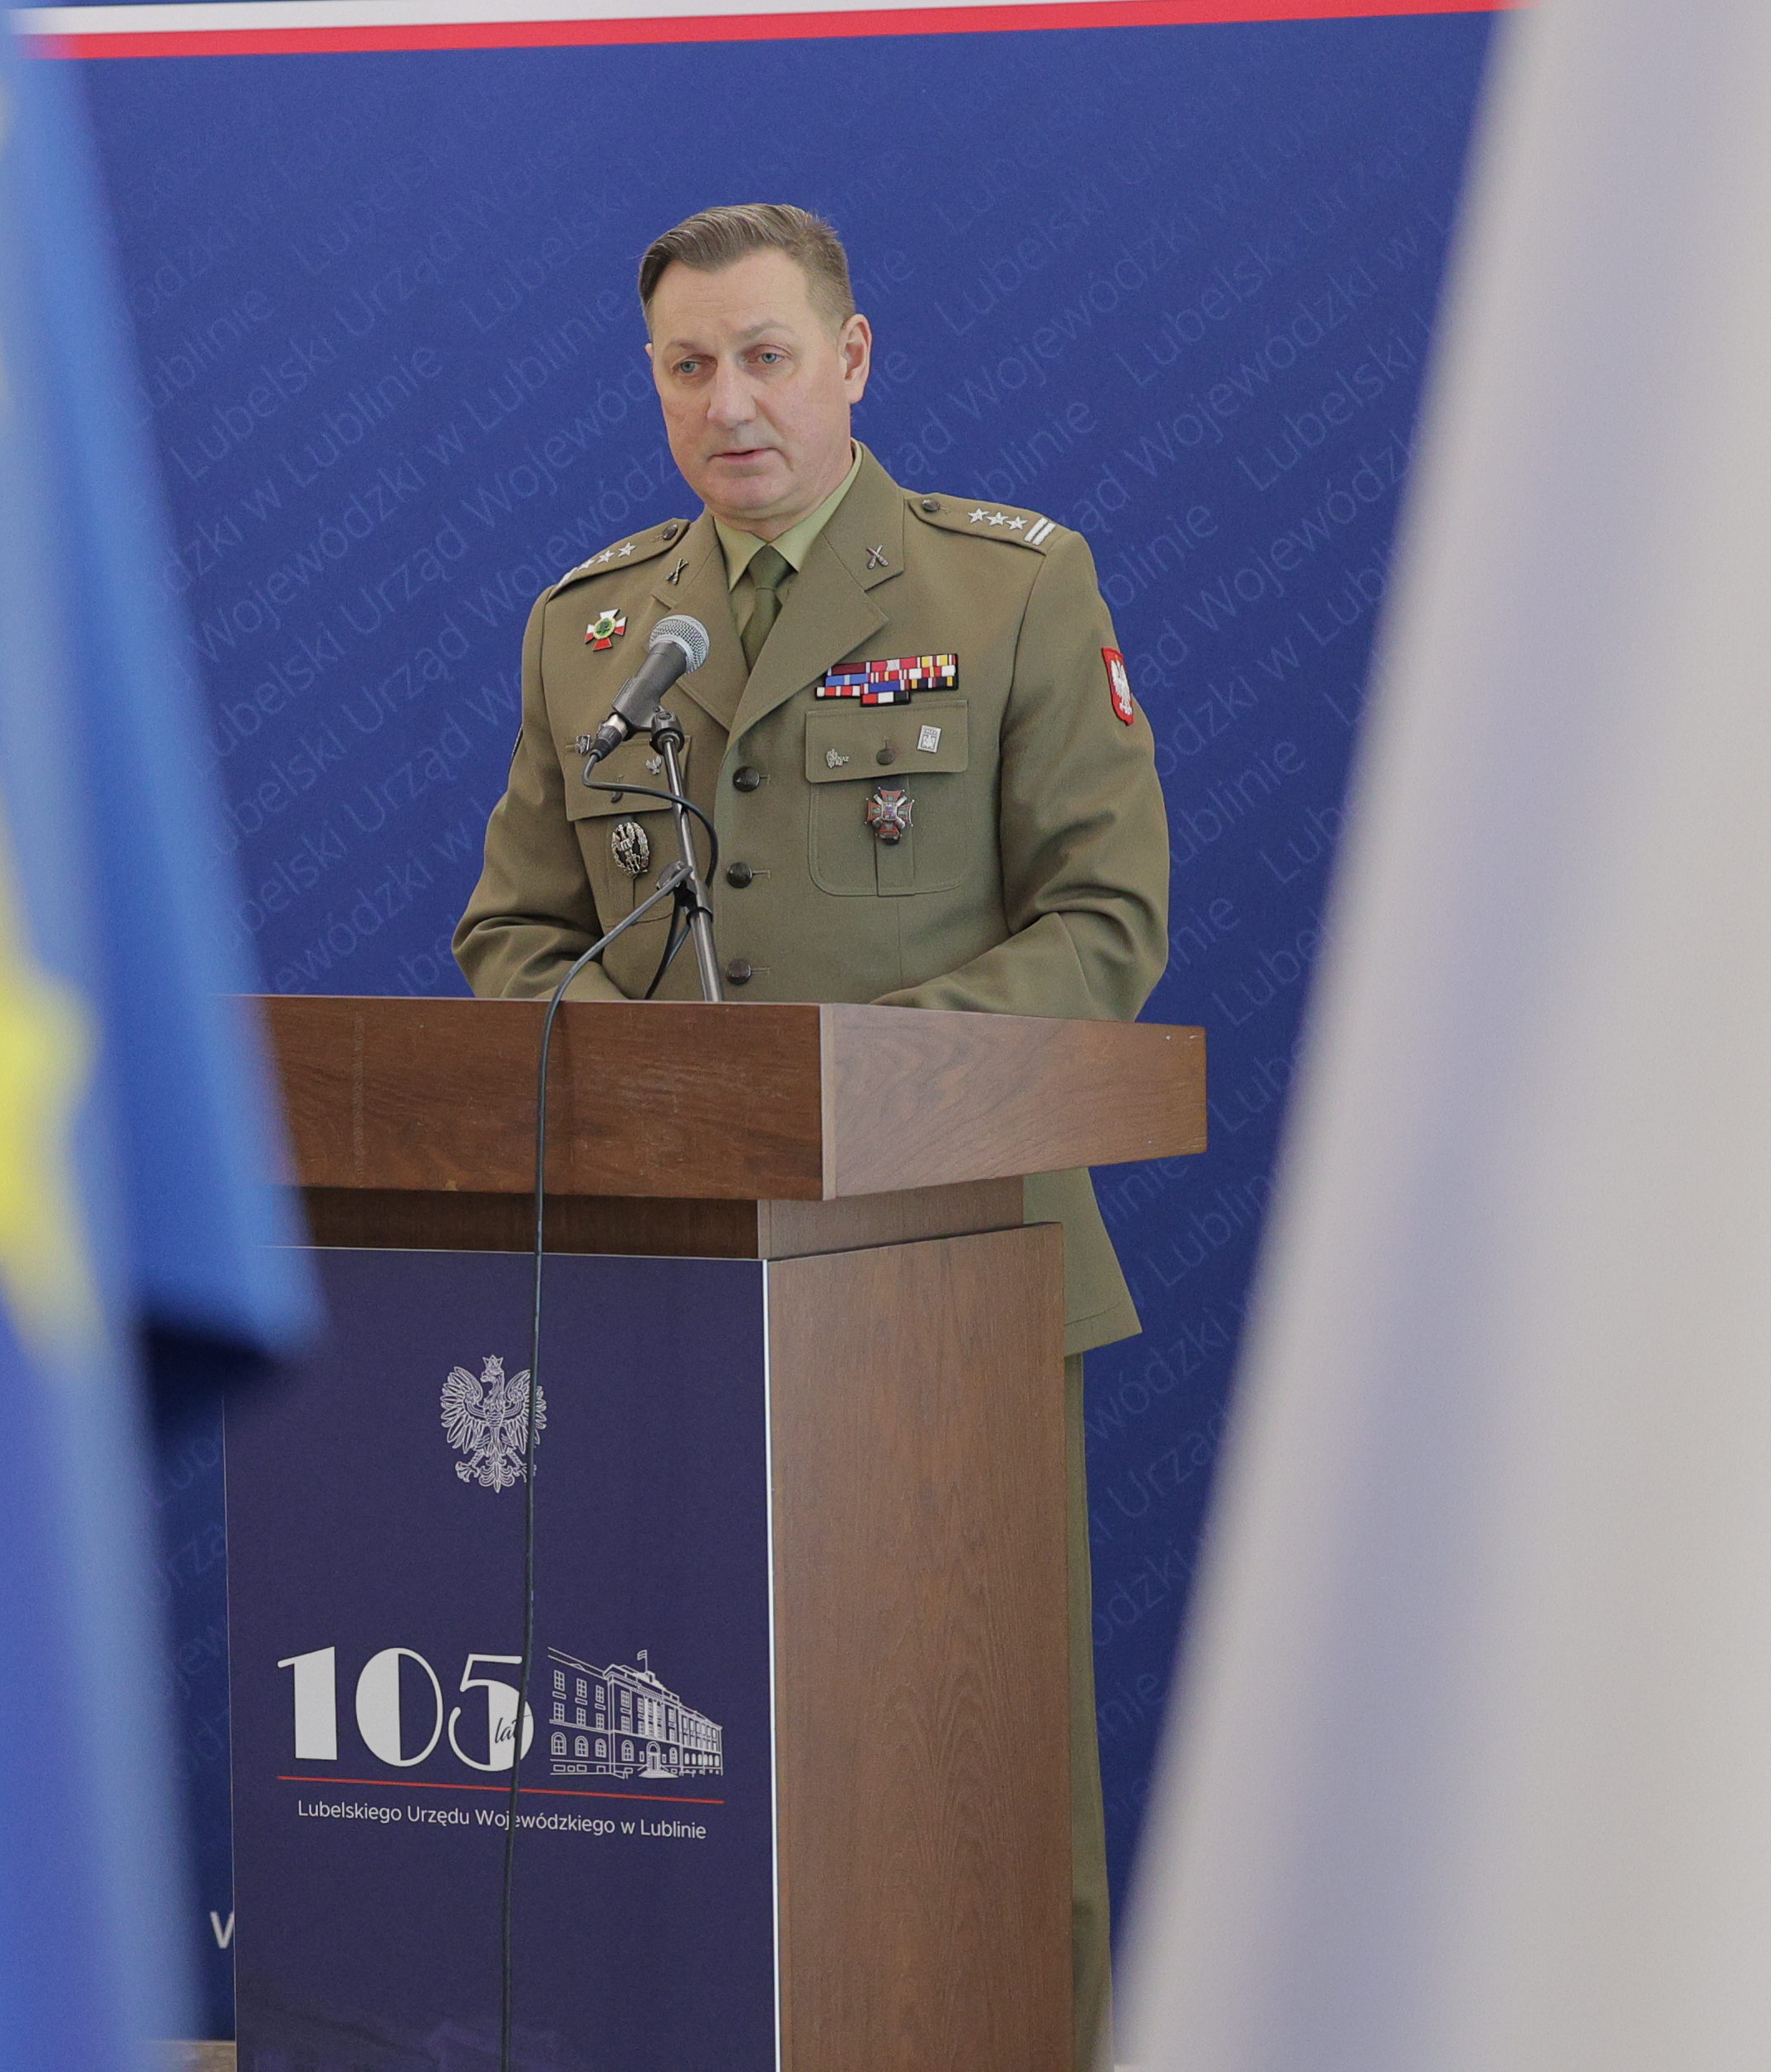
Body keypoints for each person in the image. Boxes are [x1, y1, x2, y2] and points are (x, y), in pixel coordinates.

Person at [453, 202, 1170, 2071]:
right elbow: (513, 937)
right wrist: (661, 1097)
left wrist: (848, 1085)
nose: (730, 403)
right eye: (688, 366)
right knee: (682, 1764)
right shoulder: (593, 631)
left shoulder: (1009, 592)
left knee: (978, 1775)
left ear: (851, 360)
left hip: (953, 1273)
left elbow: (1103, 927)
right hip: (663, 1287)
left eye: (767, 356)